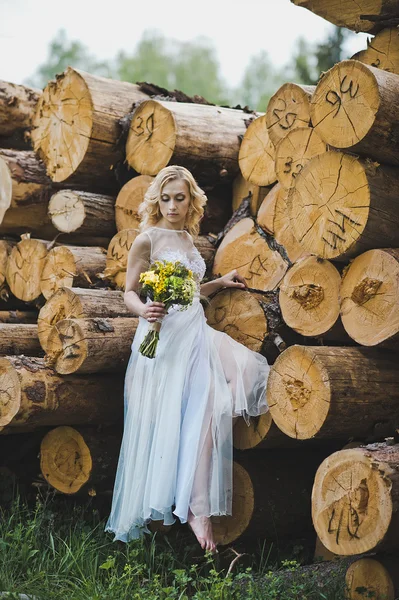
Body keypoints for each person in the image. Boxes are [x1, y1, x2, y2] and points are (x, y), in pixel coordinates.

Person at [105, 165, 270, 553]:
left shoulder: (186, 237)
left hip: (195, 332)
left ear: (191, 199)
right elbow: (129, 291)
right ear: (156, 200)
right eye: (166, 199)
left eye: (180, 198)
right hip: (164, 339)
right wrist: (142, 311)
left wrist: (220, 282)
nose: (173, 205)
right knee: (184, 417)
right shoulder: (147, 239)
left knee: (244, 373)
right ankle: (195, 508)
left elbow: (190, 292)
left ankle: (193, 493)